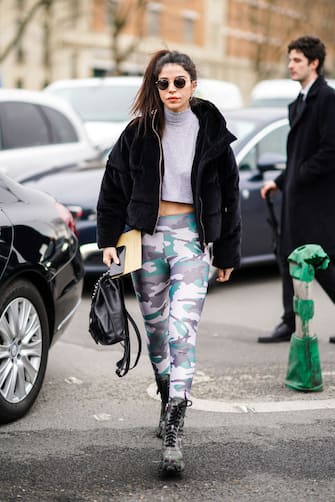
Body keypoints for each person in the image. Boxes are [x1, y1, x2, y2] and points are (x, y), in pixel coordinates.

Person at [96, 49, 241, 473]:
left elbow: (230, 195)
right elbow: (113, 188)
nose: (172, 90)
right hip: (146, 241)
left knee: (182, 331)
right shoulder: (139, 133)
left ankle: (176, 421)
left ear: (194, 84)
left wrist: (228, 251)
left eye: (180, 82)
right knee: (157, 333)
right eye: (164, 83)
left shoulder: (212, 131)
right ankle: (166, 398)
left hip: (192, 242)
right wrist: (109, 240)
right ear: (155, 87)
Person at [258, 36, 335, 344]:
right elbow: (298, 153)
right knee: (289, 258)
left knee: (321, 261)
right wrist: (279, 180)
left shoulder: (327, 99)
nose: (290, 65)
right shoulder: (300, 101)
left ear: (313, 63)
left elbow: (330, 150)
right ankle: (289, 321)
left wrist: (300, 176)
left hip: (316, 199)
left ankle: (290, 321)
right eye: (290, 60)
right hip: (296, 195)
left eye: (297, 60)